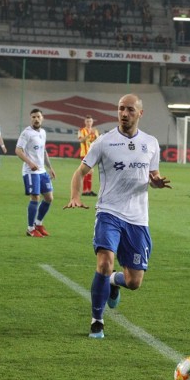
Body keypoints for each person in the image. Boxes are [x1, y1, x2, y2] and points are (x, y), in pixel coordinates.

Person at [64, 94, 172, 339]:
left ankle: (113, 282)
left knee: (134, 282)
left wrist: (156, 183)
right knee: (104, 263)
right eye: (121, 109)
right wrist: (75, 196)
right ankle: (97, 321)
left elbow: (152, 176)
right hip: (108, 212)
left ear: (140, 113)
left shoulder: (151, 143)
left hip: (137, 219)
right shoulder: (103, 142)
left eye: (130, 110)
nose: (124, 114)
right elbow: (80, 172)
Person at [15, 108, 56, 237]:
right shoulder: (26, 133)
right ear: (30, 118)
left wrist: (50, 167)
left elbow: (43, 151)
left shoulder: (43, 132)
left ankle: (38, 224)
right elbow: (18, 150)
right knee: (35, 197)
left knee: (49, 198)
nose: (36, 119)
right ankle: (30, 228)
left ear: (42, 118)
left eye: (38, 116)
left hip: (42, 171)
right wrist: (29, 163)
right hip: (30, 171)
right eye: (33, 117)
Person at [77, 115, 100, 196]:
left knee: (89, 172)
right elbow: (81, 140)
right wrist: (89, 134)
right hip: (84, 154)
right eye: (87, 121)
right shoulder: (81, 130)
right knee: (88, 171)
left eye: (90, 121)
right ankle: (86, 190)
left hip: (92, 154)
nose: (89, 123)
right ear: (85, 122)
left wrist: (95, 135)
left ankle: (87, 190)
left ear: (92, 122)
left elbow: (98, 141)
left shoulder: (95, 131)